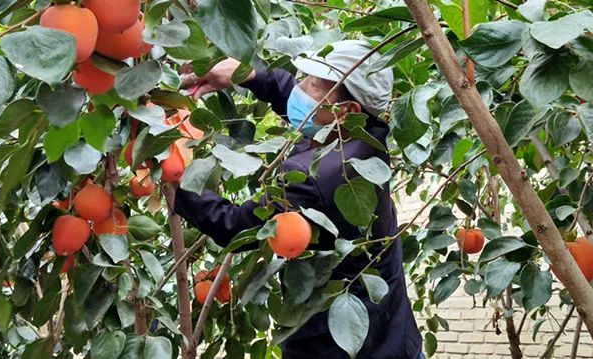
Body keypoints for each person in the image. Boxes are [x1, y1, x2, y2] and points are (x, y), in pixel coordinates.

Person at [173, 40, 424, 358]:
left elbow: (233, 225)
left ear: (346, 112)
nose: (299, 88)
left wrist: (178, 171)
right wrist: (248, 76)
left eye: (313, 83)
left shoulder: (315, 177)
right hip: (394, 336)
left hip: (335, 348)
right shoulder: (366, 137)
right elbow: (301, 99)